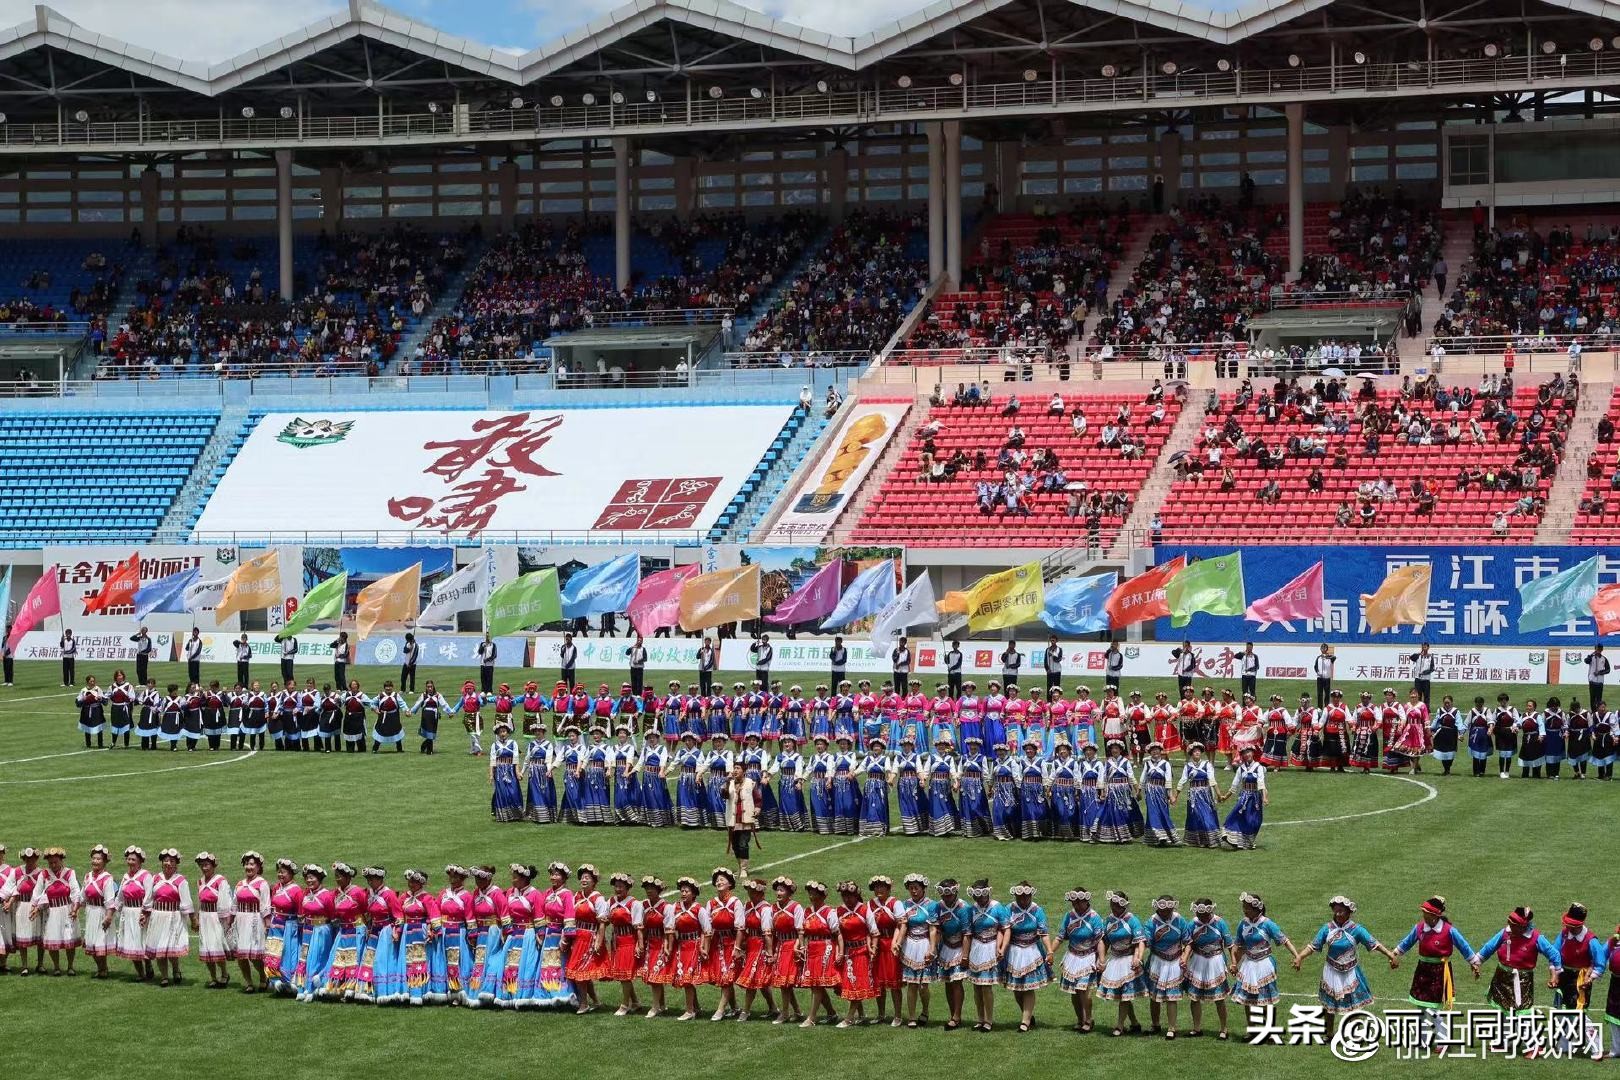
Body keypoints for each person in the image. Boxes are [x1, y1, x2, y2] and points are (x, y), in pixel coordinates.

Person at [1293, 896, 1399, 1040]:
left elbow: (1374, 943)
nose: (1337, 914)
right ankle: (1329, 1034)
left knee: (1352, 1005)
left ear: (1349, 912)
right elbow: (1313, 946)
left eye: (1341, 911)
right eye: (1335, 911)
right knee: (1329, 1005)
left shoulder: (1357, 930)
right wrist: (1300, 957)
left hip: (1351, 972)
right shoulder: (1327, 929)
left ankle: (1354, 1034)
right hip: (1331, 971)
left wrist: (1390, 954)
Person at [1390, 896, 1481, 1049]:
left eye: (1425, 912)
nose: (1423, 915)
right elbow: (1406, 943)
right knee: (1421, 1008)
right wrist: (1394, 954)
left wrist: (1474, 963)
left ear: (1434, 915)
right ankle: (1423, 1040)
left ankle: (1443, 1042)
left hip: (1440, 971)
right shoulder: (1420, 928)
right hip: (1423, 970)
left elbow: (1464, 947)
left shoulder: (1449, 930)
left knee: (1434, 1010)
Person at [1476, 905, 1563, 1017]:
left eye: (1513, 925)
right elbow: (1489, 947)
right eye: (1509, 923)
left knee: (1523, 1013)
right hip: (1501, 978)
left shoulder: (1536, 938)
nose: (1510, 926)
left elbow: (1554, 955)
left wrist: (1555, 975)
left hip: (1523, 981)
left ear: (1522, 927)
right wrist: (1477, 962)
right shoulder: (1505, 933)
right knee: (1503, 1012)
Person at [1229, 892, 1301, 1021]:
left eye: (1247, 908)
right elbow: (1237, 946)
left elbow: (1285, 941)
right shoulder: (1243, 924)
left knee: (1266, 1001)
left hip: (1264, 964)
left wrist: (1297, 956)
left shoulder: (1267, 924)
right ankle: (1252, 1028)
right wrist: (1234, 963)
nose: (1245, 910)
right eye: (1244, 907)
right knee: (1247, 1000)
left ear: (1257, 909)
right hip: (1248, 964)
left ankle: (1268, 1028)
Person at [1001, 882, 1051, 1032]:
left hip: (1032, 950)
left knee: (1028, 987)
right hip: (1014, 952)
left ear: (1031, 895)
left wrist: (1049, 951)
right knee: (1017, 988)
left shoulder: (1037, 910)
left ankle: (1025, 1021)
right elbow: (1004, 930)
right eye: (1020, 897)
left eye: (1026, 896)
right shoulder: (1008, 909)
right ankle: (1027, 1014)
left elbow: (1044, 933)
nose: (1023, 899)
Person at [143, 847, 194, 988]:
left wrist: (192, 919)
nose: (168, 863)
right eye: (166, 861)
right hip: (158, 917)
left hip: (173, 918)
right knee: (160, 949)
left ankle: (176, 969)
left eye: (171, 861)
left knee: (171, 949)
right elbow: (149, 899)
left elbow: (186, 902)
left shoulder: (181, 880)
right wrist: (145, 914)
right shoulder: (155, 878)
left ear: (176, 864)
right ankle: (164, 976)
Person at [1098, 890, 1147, 1036]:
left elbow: (1140, 941)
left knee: (1125, 996)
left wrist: (1138, 957)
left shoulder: (1132, 920)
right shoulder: (1108, 920)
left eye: (1117, 905)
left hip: (1129, 960)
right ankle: (1135, 1023)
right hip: (1115, 960)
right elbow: (1104, 941)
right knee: (1123, 995)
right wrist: (1101, 959)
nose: (1114, 908)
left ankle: (1119, 1026)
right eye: (1112, 904)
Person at [1220, 746, 1267, 849]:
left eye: (1248, 752)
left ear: (1253, 753)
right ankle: (1231, 837)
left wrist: (1264, 797)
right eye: (1245, 753)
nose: (1247, 755)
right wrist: (1226, 797)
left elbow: (1261, 783)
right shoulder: (1241, 768)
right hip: (1244, 797)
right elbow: (1234, 785)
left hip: (1255, 799)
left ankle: (1248, 842)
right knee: (1236, 815)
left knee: (1254, 821)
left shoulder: (1258, 767)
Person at [723, 761, 759, 880]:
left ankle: (744, 869)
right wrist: (727, 782)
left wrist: (757, 808)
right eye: (734, 768)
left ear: (743, 771)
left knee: (743, 844)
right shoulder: (730, 783)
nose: (735, 770)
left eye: (738, 768)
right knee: (735, 845)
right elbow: (724, 795)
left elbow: (757, 798)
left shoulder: (750, 783)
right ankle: (740, 866)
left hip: (745, 819)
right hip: (733, 819)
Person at [1408, 643, 1435, 707]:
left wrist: (1425, 672)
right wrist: (1419, 654)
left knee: (1426, 696)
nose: (1424, 648)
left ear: (1428, 648)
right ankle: (1418, 708)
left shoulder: (1430, 657)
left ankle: (1426, 709)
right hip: (1418, 679)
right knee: (1418, 695)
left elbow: (1432, 668)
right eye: (1423, 647)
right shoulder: (1418, 656)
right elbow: (1411, 657)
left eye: (1425, 647)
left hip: (1426, 679)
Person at [1587, 645, 1611, 713]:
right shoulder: (1591, 657)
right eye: (1597, 649)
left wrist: (1600, 672)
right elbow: (1586, 661)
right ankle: (1593, 712)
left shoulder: (1604, 659)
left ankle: (1598, 712)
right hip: (1592, 681)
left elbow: (1608, 670)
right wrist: (1591, 655)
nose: (1598, 651)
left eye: (1600, 649)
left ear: (1601, 650)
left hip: (1600, 682)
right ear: (1595, 649)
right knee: (1592, 698)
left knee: (1599, 698)